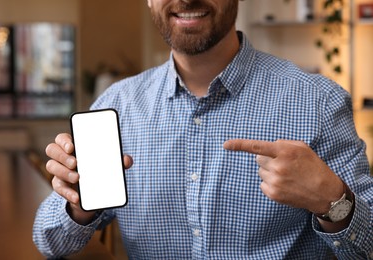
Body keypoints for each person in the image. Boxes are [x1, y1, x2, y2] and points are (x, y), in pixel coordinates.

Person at [33, 0, 373, 259]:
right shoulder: (118, 105)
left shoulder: (318, 102)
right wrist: (79, 204)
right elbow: (49, 239)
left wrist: (332, 200)